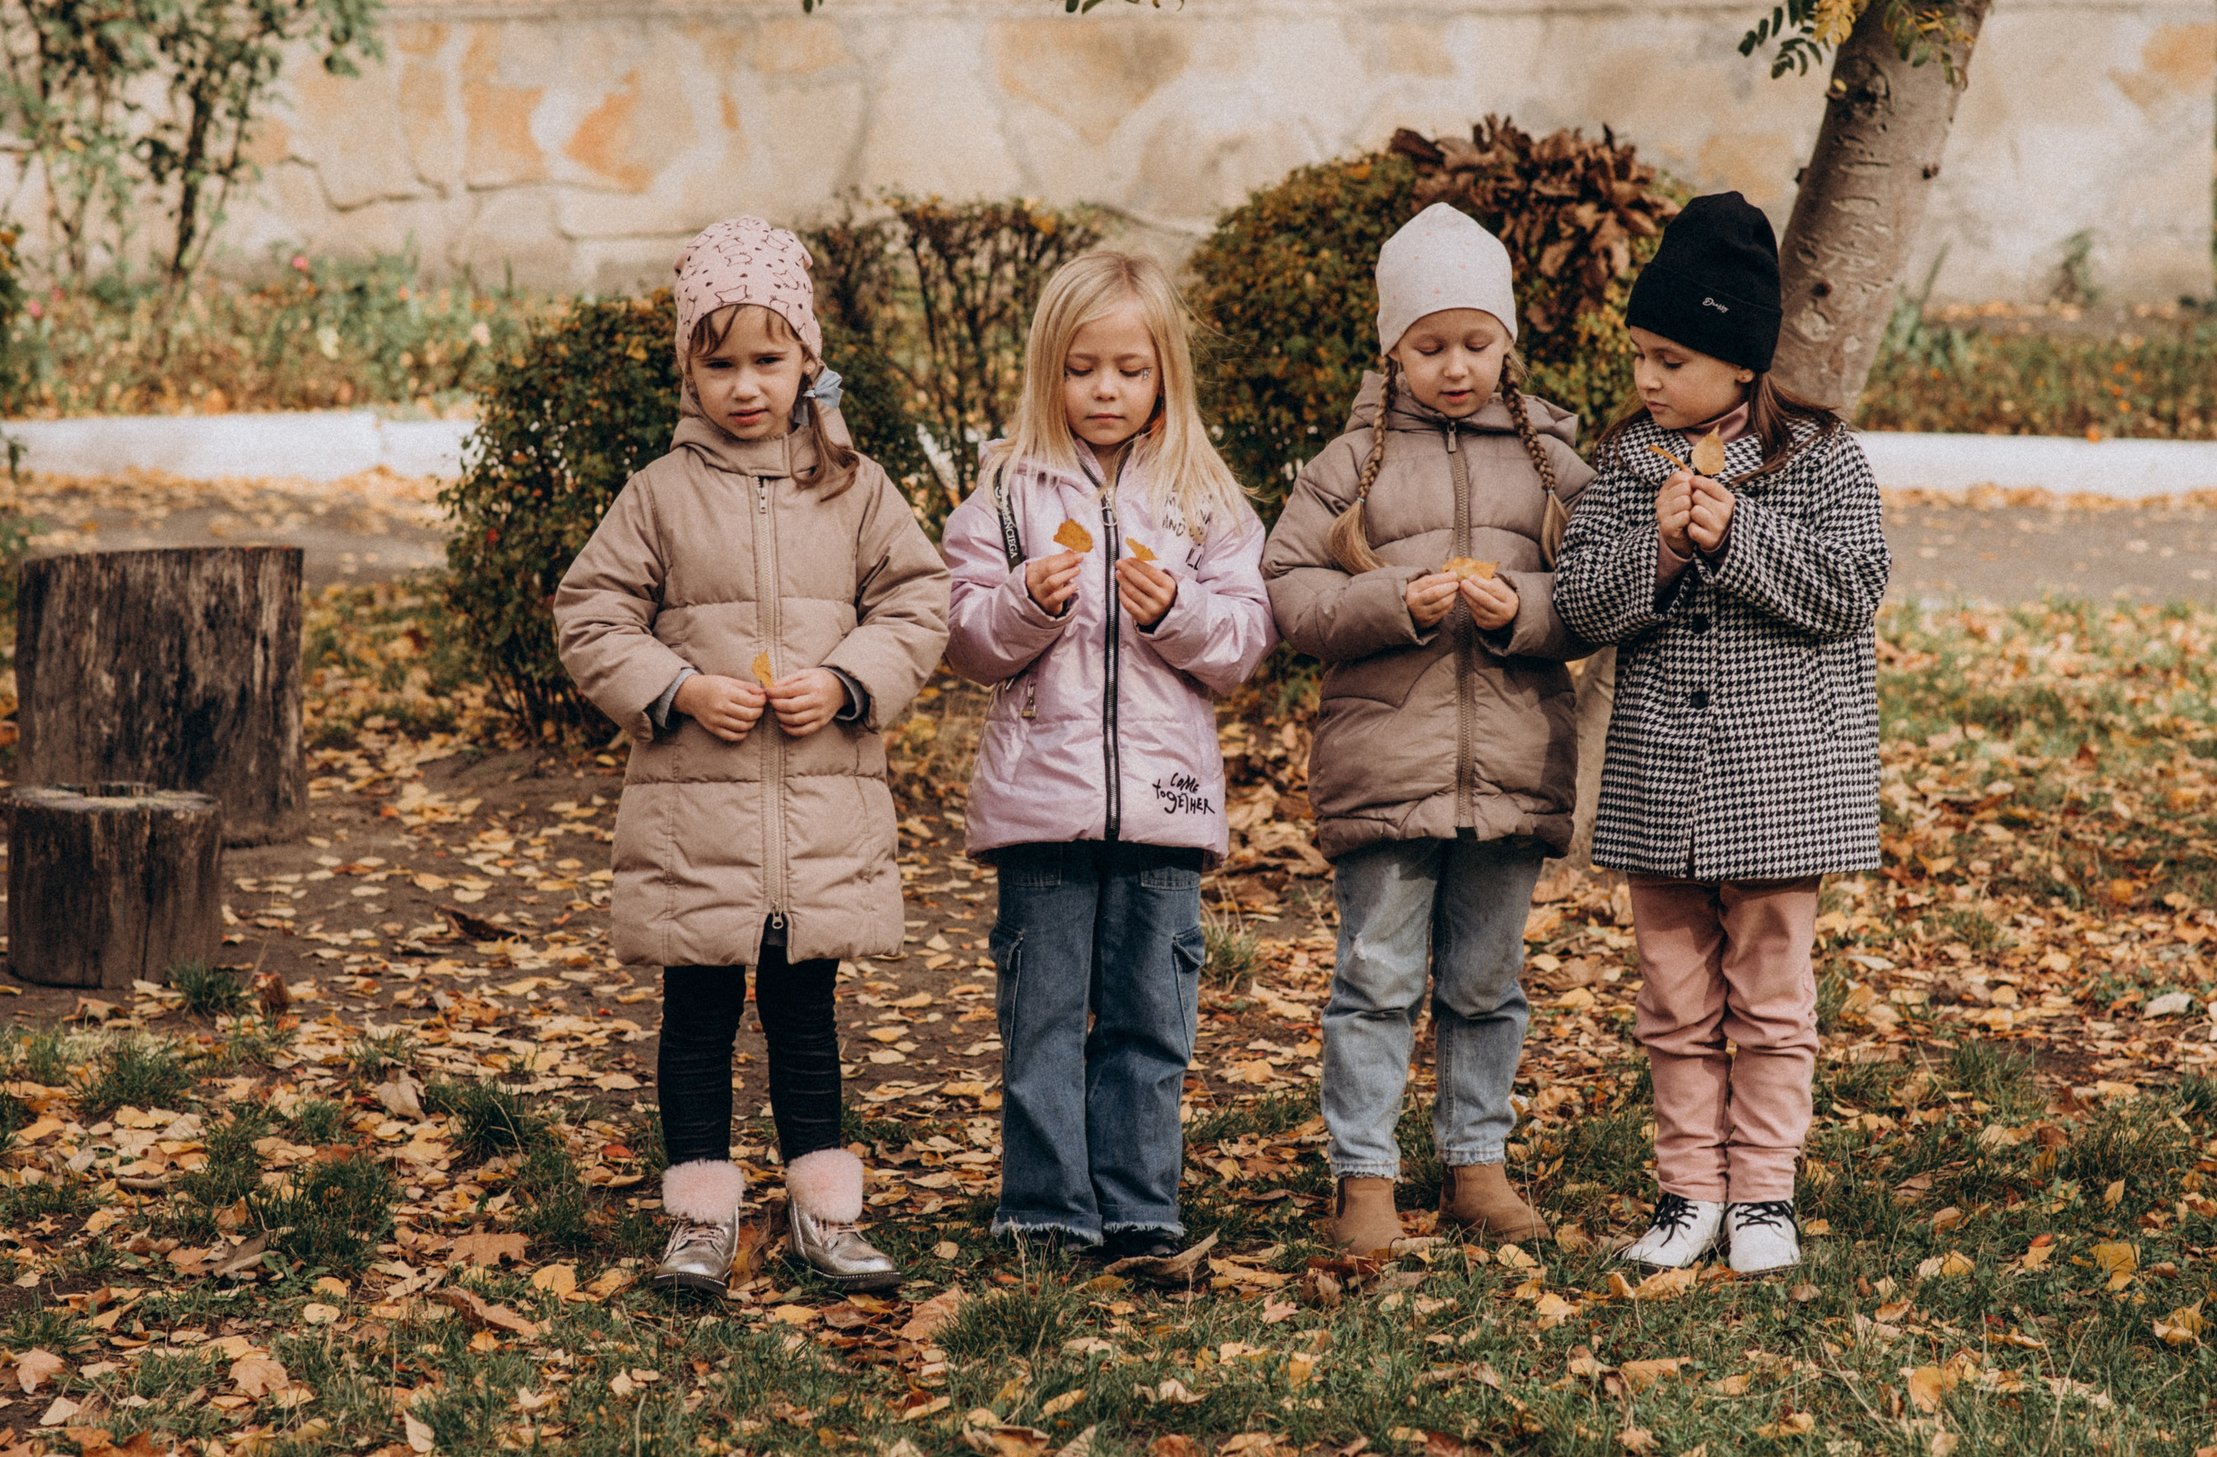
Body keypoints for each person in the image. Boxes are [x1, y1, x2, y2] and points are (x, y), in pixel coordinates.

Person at [553, 217, 950, 1297]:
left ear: (807, 361)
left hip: (818, 817)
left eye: (767, 360)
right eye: (718, 360)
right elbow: (591, 612)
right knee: (695, 1017)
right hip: (698, 817)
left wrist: (851, 677)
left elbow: (918, 596)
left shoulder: (855, 486)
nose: (743, 385)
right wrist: (674, 688)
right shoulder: (659, 493)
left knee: (804, 1013)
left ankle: (826, 1212)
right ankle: (697, 1217)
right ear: (688, 365)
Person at [1551, 192, 1889, 1276]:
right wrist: (1651, 556)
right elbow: (1575, 608)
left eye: (1672, 358)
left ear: (1741, 361)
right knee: (1675, 997)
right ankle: (1688, 1187)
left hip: (1781, 784)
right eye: (1640, 355)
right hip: (1659, 780)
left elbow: (1850, 587)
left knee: (1771, 997)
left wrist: (1737, 530)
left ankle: (1764, 1197)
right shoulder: (1625, 464)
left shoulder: (1823, 462)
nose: (1647, 379)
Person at [1262, 202, 1596, 1258]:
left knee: (1487, 981)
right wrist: (1392, 599)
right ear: (1391, 347)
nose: (1456, 367)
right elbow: (1288, 589)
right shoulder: (1347, 465)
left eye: (1476, 343)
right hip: (1386, 765)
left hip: (1511, 760)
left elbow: (1600, 590)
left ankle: (1474, 1163)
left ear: (1507, 341)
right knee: (1374, 976)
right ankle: (1365, 1177)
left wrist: (1528, 611)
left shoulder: (1550, 463)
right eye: (1430, 346)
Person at [942, 248, 1275, 1257]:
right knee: (1040, 1015)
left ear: (1163, 371)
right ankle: (1045, 1204)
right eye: (1083, 368)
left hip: (1164, 805)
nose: (1105, 389)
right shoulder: (1004, 495)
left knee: (1149, 1011)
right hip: (1040, 803)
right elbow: (960, 635)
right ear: (1050, 370)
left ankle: (1137, 1201)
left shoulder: (1201, 499)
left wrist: (1177, 611)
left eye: (1128, 369)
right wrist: (1019, 604)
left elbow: (1245, 641)